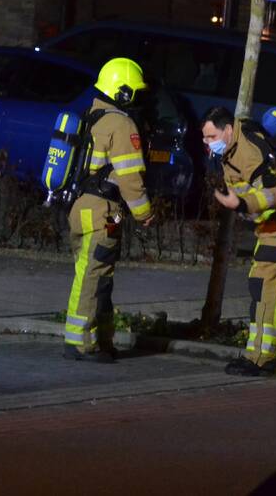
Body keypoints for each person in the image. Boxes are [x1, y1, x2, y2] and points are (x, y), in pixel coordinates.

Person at [201, 106, 276, 377]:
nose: (208, 143)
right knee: (266, 286)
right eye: (205, 138)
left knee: (267, 286)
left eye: (211, 137)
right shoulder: (232, 147)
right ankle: (261, 355)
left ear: (228, 130)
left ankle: (262, 359)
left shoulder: (247, 150)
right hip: (275, 222)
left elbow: (274, 192)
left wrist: (241, 202)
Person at [63, 57, 153, 363]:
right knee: (93, 277)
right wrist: (144, 214)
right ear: (123, 92)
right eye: (135, 92)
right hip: (102, 212)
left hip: (80, 208)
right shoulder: (121, 123)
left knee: (93, 276)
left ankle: (101, 339)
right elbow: (131, 180)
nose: (138, 98)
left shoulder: (91, 114)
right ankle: (80, 343)